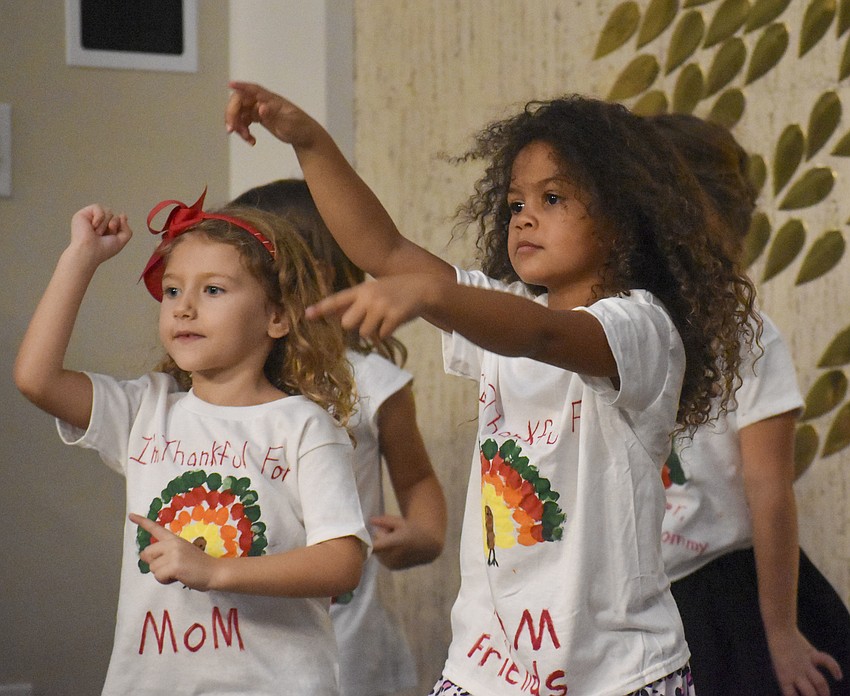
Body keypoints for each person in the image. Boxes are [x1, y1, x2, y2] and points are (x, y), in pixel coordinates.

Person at [225, 82, 758, 696]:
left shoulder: (640, 329)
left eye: (552, 198)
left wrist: (430, 294)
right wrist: (310, 141)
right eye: (514, 204)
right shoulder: (497, 312)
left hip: (614, 674)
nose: (524, 216)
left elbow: (547, 337)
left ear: (623, 220)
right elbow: (385, 248)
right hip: (487, 668)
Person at [13, 190, 371, 695]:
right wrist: (80, 259)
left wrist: (216, 570)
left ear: (278, 316)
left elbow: (341, 562)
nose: (183, 309)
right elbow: (36, 378)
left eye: (213, 291)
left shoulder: (304, 427)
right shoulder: (147, 411)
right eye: (174, 291)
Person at [650, 112, 850, 696]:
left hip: (727, 592)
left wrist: (782, 631)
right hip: (639, 597)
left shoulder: (745, 336)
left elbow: (770, 489)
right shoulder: (606, 331)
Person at [231, 178, 447, 696]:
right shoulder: (223, 385)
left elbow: (417, 479)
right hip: (242, 642)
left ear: (314, 279)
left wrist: (424, 535)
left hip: (349, 653)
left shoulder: (373, 384)